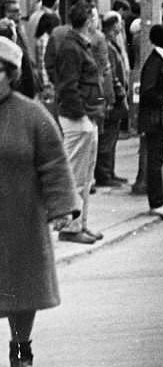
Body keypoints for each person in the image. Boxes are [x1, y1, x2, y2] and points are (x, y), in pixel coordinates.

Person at [0, 35, 80, 367]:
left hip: (21, 219)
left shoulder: (32, 115)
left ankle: (21, 348)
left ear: (11, 74)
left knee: (22, 289)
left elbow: (55, 164)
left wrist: (63, 209)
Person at [52, 0, 105, 244]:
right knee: (76, 173)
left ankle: (80, 224)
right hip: (77, 117)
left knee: (84, 175)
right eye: (94, 16)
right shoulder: (72, 48)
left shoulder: (78, 45)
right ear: (88, 20)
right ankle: (71, 227)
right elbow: (68, 87)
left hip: (84, 115)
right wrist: (82, 115)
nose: (97, 20)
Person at [137, 24, 163, 220]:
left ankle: (158, 201)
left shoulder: (160, 60)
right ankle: (157, 203)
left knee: (156, 159)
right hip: (154, 116)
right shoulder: (156, 62)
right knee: (155, 160)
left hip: (156, 116)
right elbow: (148, 91)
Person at [94, 12, 129, 187]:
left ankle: (109, 171)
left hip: (114, 94)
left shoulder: (112, 43)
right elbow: (109, 73)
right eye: (118, 24)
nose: (121, 26)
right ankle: (104, 174)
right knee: (107, 136)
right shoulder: (106, 45)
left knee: (112, 135)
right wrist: (110, 96)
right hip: (111, 96)